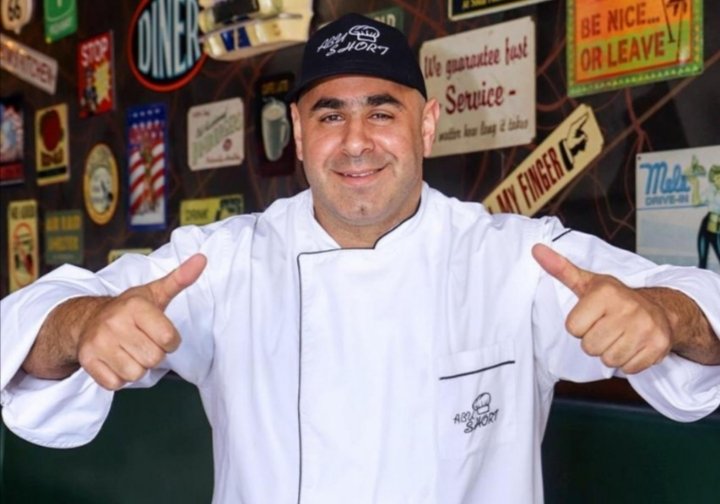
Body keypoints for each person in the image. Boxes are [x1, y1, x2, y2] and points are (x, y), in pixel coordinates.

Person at [1, 13, 719, 504]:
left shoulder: (514, 258)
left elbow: (700, 307)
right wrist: (86, 324)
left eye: (381, 112)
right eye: (329, 114)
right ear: (299, 133)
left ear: (426, 126)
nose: (355, 141)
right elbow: (26, 326)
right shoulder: (223, 264)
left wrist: (663, 315)